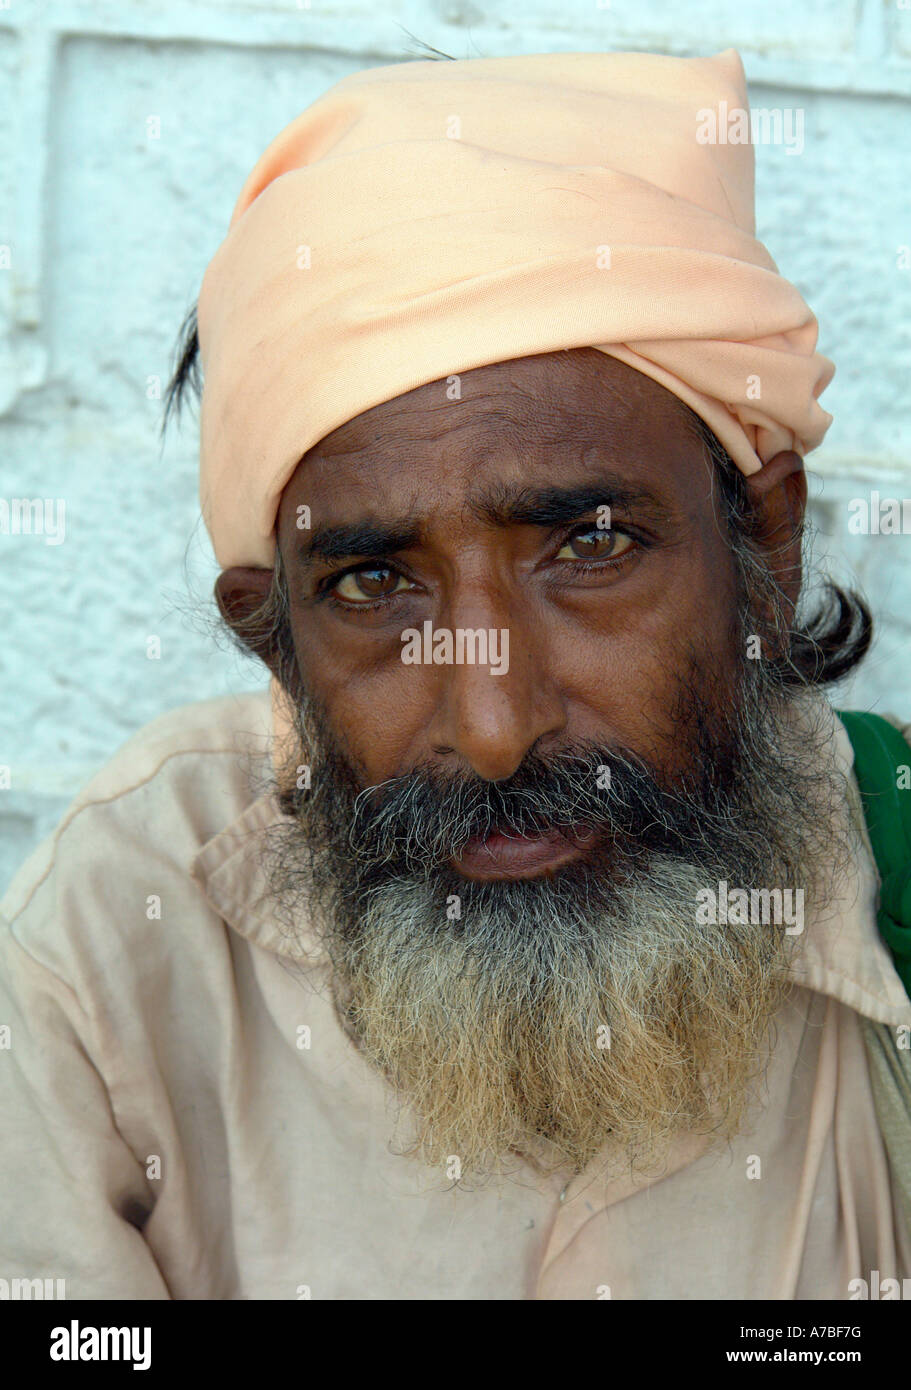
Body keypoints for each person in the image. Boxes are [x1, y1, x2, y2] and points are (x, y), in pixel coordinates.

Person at [2, 47, 909, 1301]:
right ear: (271, 631)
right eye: (373, 586)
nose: (490, 727)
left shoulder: (894, 905)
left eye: (589, 547)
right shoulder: (107, 950)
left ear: (760, 538)